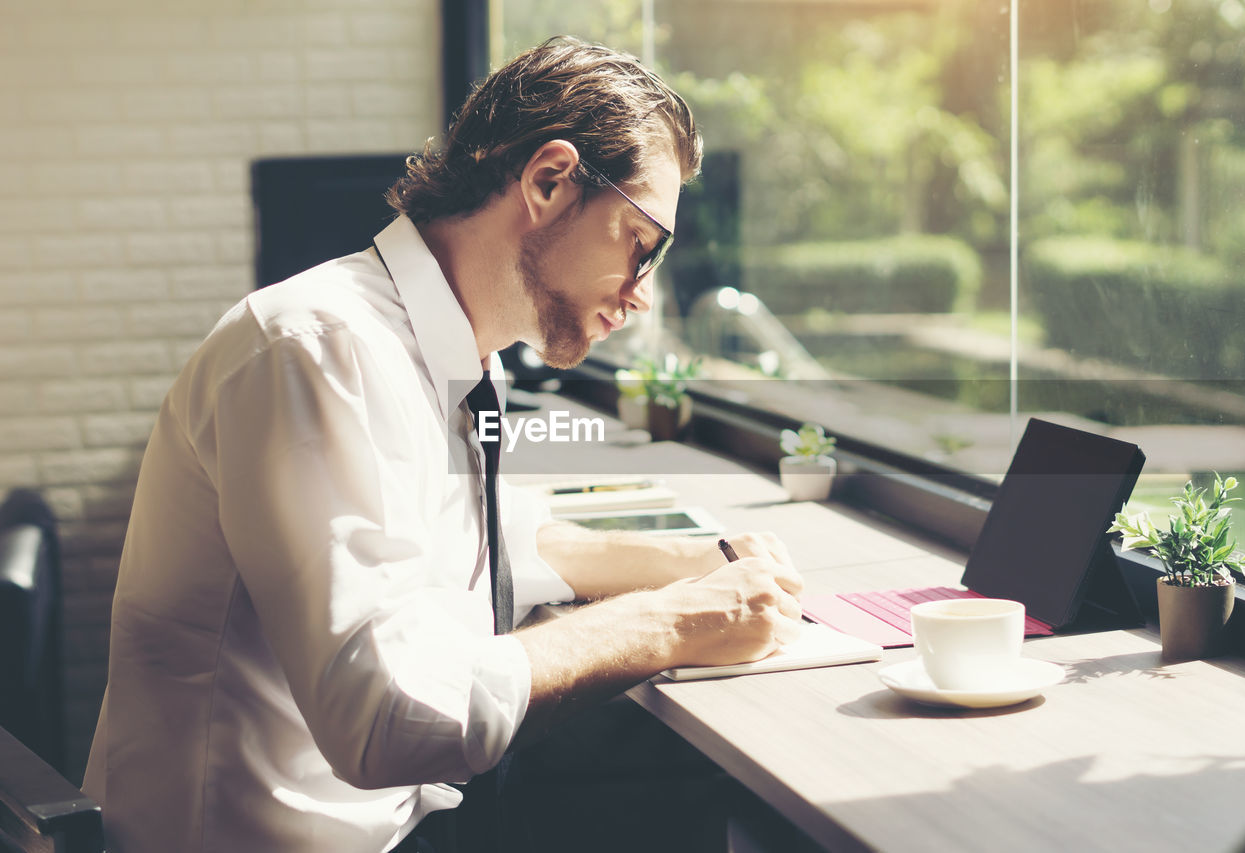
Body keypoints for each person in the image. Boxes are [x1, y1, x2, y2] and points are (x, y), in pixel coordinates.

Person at [83, 37, 803, 853]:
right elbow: (388, 712)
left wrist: (701, 566)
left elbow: (492, 538)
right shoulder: (317, 349)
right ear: (548, 180)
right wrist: (669, 622)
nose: (642, 295)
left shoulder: (459, 355)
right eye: (643, 244)